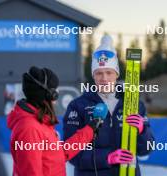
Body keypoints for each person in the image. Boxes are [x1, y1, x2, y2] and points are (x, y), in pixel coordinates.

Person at [63, 35, 154, 176]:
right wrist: (106, 158)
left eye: (109, 72)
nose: (104, 78)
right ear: (93, 76)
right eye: (99, 73)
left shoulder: (133, 104)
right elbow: (71, 153)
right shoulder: (78, 106)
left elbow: (146, 149)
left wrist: (142, 131)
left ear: (116, 74)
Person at [7, 66, 102, 176]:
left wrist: (90, 130)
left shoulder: (39, 123)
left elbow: (59, 154)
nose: (56, 101)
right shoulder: (30, 129)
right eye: (55, 94)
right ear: (46, 95)